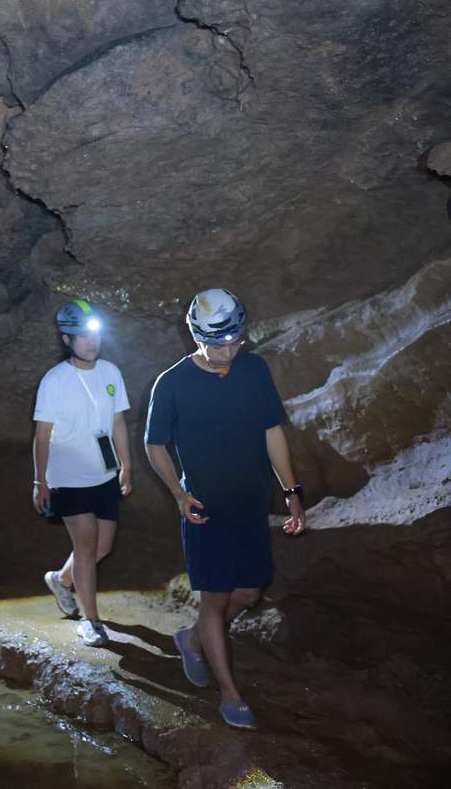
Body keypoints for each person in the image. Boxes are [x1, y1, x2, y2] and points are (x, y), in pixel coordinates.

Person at [145, 288, 307, 730]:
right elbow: (154, 443)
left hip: (251, 503)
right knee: (214, 599)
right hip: (205, 508)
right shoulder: (173, 383)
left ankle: (193, 639)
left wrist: (291, 490)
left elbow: (272, 431)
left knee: (249, 593)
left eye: (237, 340)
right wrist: (179, 495)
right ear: (197, 337)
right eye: (220, 343)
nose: (230, 350)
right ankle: (231, 694)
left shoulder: (253, 370)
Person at [31, 300, 132, 647]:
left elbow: (118, 421)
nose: (92, 342)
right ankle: (91, 621)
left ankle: (60, 580)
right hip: (68, 478)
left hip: (104, 473)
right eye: (83, 336)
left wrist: (126, 465)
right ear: (67, 339)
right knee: (86, 546)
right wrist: (39, 480)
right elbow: (41, 435)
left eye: (95, 335)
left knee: (104, 545)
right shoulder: (55, 381)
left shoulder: (111, 373)